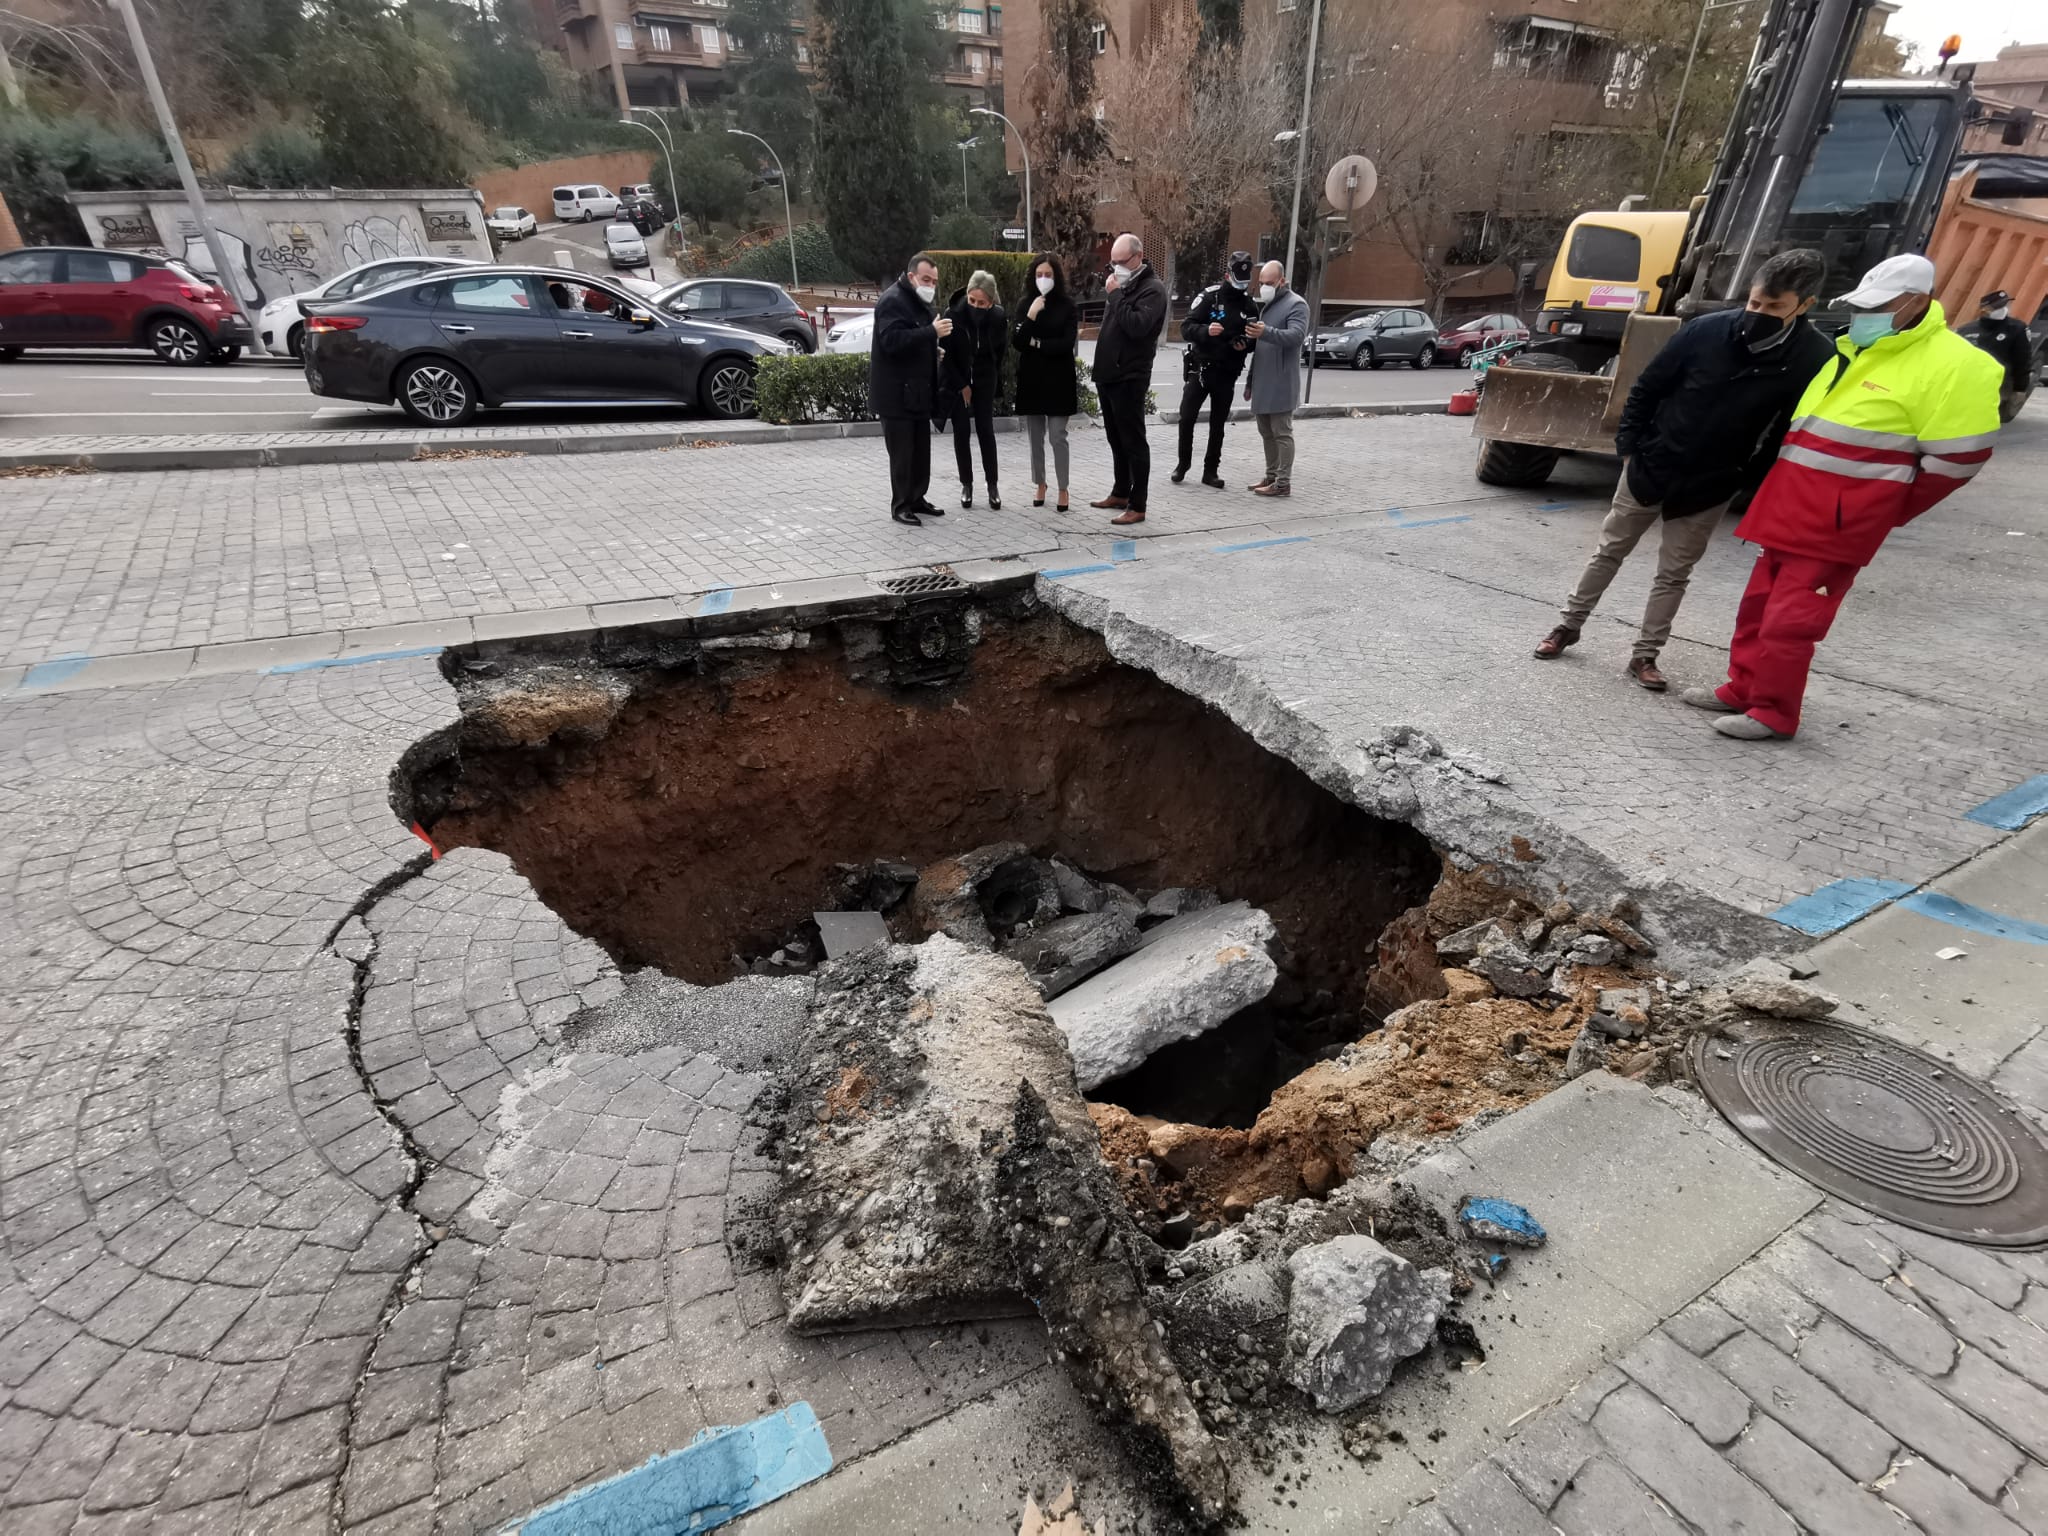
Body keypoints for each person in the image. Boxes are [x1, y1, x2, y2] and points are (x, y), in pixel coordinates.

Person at [1683, 253, 2002, 740]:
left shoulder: (1957, 366)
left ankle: (1773, 712)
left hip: (1837, 524)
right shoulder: (1859, 350)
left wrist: (1881, 510)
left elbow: (1958, 460)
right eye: (1861, 305)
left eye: (1878, 306)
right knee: (1758, 609)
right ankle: (1743, 687)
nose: (1863, 315)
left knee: (1791, 623)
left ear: (1916, 302)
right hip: (1791, 507)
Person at [1533, 248, 1835, 691]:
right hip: (1653, 462)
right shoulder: (1707, 331)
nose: (1760, 313)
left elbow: (1785, 426)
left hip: (1712, 482)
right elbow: (1648, 387)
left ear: (1804, 306)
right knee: (1608, 552)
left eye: (1774, 308)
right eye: (1755, 304)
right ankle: (1567, 626)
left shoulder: (1813, 356)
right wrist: (1630, 448)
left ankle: (1645, 655)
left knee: (1674, 573)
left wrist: (1746, 478)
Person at [1090, 233, 1168, 526]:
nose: (1115, 268)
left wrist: (1115, 295)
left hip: (1130, 376)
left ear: (1138, 257)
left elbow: (1137, 327)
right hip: (1109, 374)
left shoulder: (1152, 290)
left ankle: (1138, 504)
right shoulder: (1122, 284)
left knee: (1134, 441)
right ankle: (1121, 491)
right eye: (1112, 263)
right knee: (1115, 438)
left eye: (1121, 262)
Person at [870, 253, 951, 526]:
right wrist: (931, 334)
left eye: (935, 281)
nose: (931, 285)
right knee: (902, 455)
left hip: (916, 393)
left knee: (920, 452)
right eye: (926, 279)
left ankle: (917, 498)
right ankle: (901, 505)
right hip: (896, 396)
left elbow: (914, 339)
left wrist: (932, 350)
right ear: (912, 276)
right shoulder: (893, 301)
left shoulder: (918, 301)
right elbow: (892, 341)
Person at [1172, 250, 1258, 489]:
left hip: (1227, 372)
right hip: (1201, 369)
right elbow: (1187, 327)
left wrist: (1246, 344)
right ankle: (1183, 464)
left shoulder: (1249, 305)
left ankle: (1210, 471)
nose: (1241, 285)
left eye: (1245, 281)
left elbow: (1254, 339)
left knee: (1218, 424)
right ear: (1227, 275)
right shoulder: (1210, 297)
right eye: (1237, 279)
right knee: (1186, 417)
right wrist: (1205, 331)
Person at [1014, 253, 1080, 510]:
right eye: (1039, 274)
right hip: (1032, 379)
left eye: (1048, 274)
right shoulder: (1025, 304)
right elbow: (1018, 342)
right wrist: (1031, 316)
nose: (1043, 279)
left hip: (1059, 379)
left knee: (1057, 436)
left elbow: (1066, 344)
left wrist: (1038, 343)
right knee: (1035, 437)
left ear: (1056, 276)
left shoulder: (1067, 305)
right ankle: (1040, 483)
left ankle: (1063, 488)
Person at [940, 270, 1007, 509]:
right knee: (961, 432)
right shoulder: (952, 314)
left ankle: (993, 485)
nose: (976, 306)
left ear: (991, 302)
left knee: (986, 431)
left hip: (984, 378)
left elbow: (999, 352)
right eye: (972, 301)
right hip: (959, 378)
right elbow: (945, 355)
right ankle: (966, 484)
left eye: (982, 303)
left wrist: (987, 378)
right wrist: (962, 384)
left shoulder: (998, 317)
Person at [1243, 260, 1308, 497]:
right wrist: (1250, 380)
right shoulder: (1268, 306)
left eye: (1269, 283)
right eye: (1260, 283)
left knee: (1282, 433)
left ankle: (1283, 482)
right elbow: (1261, 349)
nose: (1264, 288)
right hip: (1263, 381)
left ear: (1282, 281)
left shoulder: (1296, 305)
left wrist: (1266, 332)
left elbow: (1296, 336)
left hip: (1281, 382)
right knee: (1266, 432)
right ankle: (1271, 476)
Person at [1969, 290, 2036, 423]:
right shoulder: (1967, 329)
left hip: (2000, 386)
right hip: (1969, 384)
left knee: (1985, 422)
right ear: (1984, 309)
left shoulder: (2016, 328)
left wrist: (2019, 389)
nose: (2003, 309)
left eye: (2005, 305)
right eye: (1997, 307)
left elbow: (2022, 360)